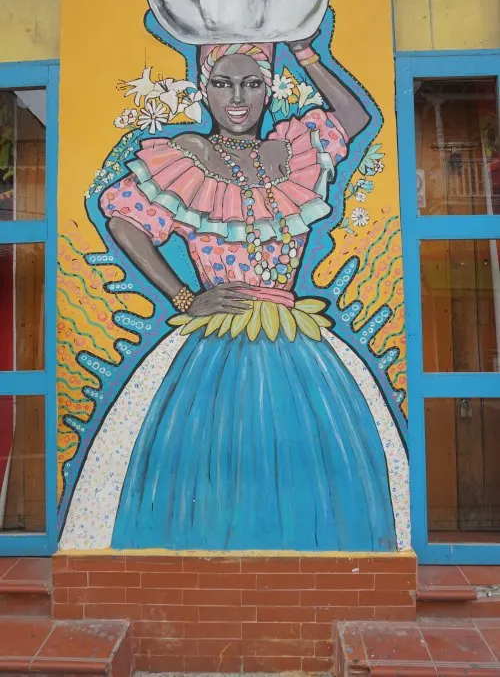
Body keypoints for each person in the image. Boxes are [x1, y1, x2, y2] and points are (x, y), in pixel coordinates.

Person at [60, 34, 409, 552]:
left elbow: (354, 118)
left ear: (269, 90)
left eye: (252, 83)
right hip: (212, 350)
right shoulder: (187, 155)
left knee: (315, 464)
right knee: (205, 464)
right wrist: (183, 296)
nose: (237, 98)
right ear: (204, 90)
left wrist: (306, 50)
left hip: (299, 344)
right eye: (222, 84)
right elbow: (124, 221)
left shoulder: (293, 150)